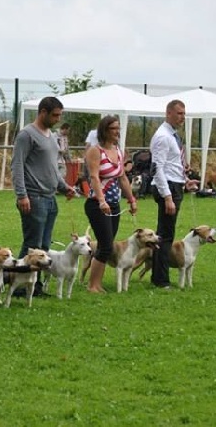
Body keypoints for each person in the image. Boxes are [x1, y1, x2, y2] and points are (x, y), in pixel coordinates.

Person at [11, 96, 76, 296]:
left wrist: (64, 187)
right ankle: (18, 284)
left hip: (50, 198)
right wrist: (22, 195)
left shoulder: (51, 135)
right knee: (33, 246)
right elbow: (17, 165)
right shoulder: (26, 135)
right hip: (34, 196)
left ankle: (34, 285)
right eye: (55, 115)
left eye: (60, 115)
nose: (58, 119)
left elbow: (52, 168)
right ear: (43, 112)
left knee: (44, 247)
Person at [149, 99, 199, 289]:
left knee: (165, 233)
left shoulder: (173, 136)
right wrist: (168, 196)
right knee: (165, 235)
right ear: (168, 113)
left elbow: (172, 165)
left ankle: (158, 275)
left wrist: (185, 180)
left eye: (184, 114)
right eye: (179, 113)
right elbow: (158, 168)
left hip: (175, 183)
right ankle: (161, 279)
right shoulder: (163, 136)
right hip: (167, 186)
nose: (182, 117)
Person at [84, 115, 137, 293]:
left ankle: (96, 282)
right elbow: (94, 177)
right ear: (105, 130)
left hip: (114, 204)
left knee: (106, 245)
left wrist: (131, 199)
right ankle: (93, 285)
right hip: (97, 204)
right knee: (106, 245)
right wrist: (101, 200)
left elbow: (122, 177)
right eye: (114, 128)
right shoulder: (95, 151)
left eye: (118, 128)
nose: (118, 132)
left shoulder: (118, 150)